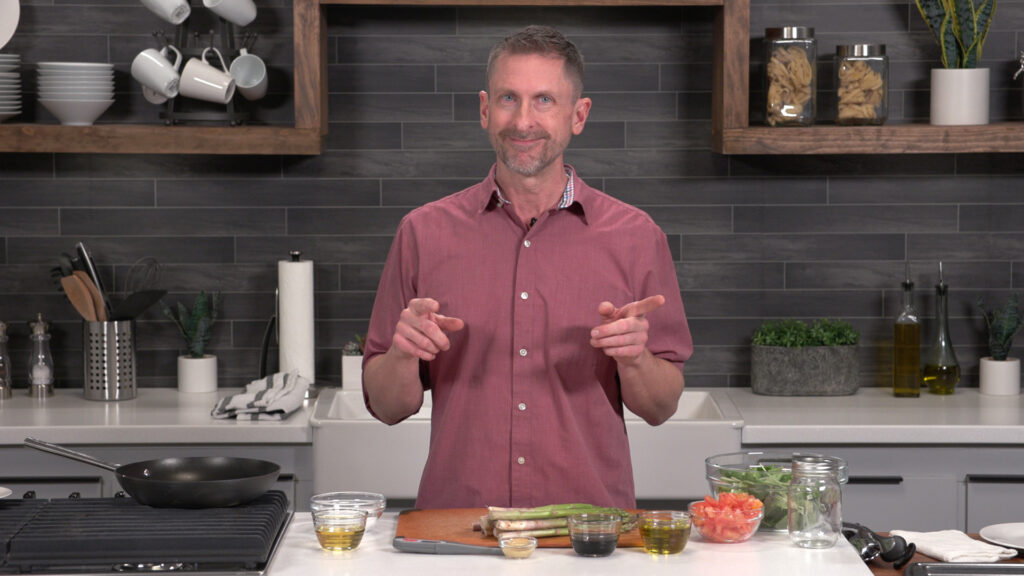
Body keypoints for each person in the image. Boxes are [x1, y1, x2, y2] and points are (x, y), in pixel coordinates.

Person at [362, 25, 693, 509]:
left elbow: (662, 407)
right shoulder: (422, 233)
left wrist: (637, 360)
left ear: (578, 115)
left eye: (543, 100)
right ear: (483, 109)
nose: (522, 121)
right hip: (459, 529)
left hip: (589, 533)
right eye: (507, 99)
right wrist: (402, 355)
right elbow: (387, 406)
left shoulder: (636, 237)